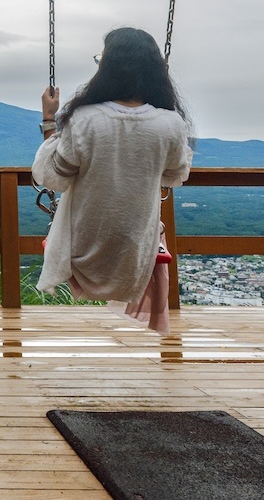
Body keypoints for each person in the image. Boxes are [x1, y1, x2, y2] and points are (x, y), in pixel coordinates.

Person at [32, 27, 193, 333]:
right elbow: (173, 175)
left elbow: (54, 175)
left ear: (107, 69)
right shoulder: (170, 125)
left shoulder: (85, 119)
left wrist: (49, 121)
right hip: (135, 253)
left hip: (82, 247)